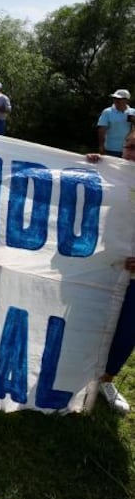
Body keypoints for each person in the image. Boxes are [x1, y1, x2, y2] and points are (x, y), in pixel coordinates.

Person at [86, 134, 135, 412]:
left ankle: (106, 380)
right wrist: (89, 166)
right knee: (86, 319)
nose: (133, 154)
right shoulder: (109, 173)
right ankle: (73, 375)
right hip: (101, 265)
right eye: (131, 147)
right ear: (122, 148)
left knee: (127, 331)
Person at [97, 89, 134, 157]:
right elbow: (102, 129)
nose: (116, 100)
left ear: (126, 100)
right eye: (115, 98)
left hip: (129, 150)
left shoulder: (133, 112)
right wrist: (101, 146)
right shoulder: (107, 112)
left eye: (119, 99)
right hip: (111, 149)